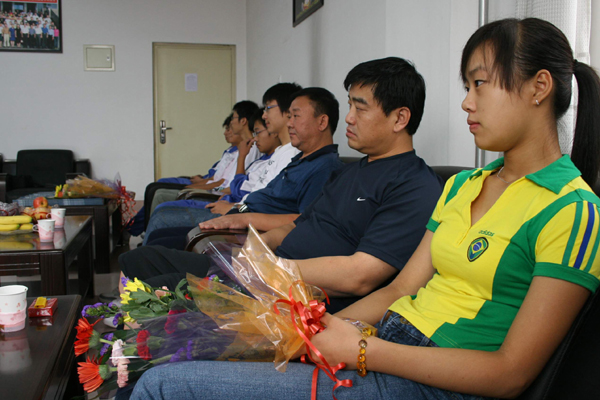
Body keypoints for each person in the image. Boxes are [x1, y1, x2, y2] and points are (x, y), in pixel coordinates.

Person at [130, 18, 600, 400]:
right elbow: (401, 288)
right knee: (176, 351)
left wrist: (359, 349)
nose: (466, 102)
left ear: (539, 87)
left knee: (163, 386)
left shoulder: (573, 211)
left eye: (479, 84)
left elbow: (510, 373)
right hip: (383, 340)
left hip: (429, 379)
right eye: (467, 86)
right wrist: (328, 327)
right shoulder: (462, 186)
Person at [119, 58, 441, 314]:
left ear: (400, 118)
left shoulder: (413, 185)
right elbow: (296, 225)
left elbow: (360, 276)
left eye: (361, 108)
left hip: (292, 298)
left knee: (157, 290)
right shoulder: (349, 172)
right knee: (140, 260)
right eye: (349, 106)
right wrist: (255, 252)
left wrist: (272, 269)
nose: (349, 118)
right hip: (267, 273)